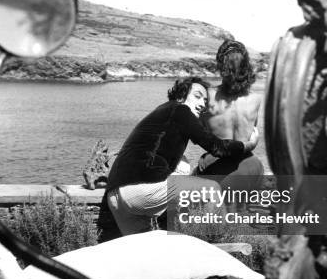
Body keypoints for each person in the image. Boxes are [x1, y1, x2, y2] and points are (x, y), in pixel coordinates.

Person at [96, 77, 254, 242]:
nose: (202, 104)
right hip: (141, 190)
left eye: (205, 101)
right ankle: (221, 241)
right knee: (211, 189)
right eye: (197, 96)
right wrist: (248, 145)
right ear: (181, 95)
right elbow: (217, 147)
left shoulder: (161, 113)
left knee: (147, 252)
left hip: (115, 198)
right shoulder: (181, 110)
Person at [196, 40, 264, 194]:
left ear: (221, 66)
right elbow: (252, 133)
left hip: (216, 165)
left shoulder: (208, 96)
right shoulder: (256, 99)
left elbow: (197, 133)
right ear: (246, 66)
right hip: (250, 166)